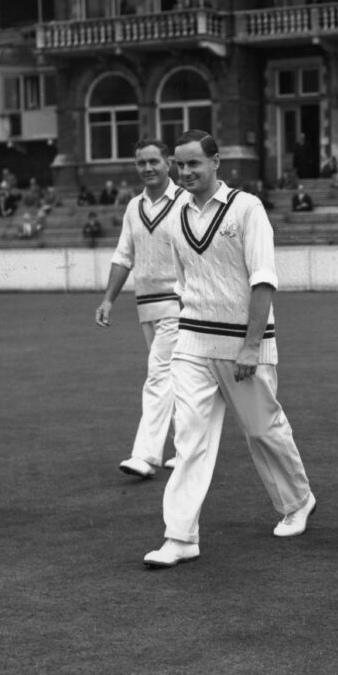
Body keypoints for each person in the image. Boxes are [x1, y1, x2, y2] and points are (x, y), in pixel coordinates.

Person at [142, 130, 316, 569]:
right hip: (193, 341)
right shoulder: (175, 213)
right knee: (189, 439)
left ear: (216, 161)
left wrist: (250, 345)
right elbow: (185, 280)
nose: (185, 173)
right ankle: (180, 536)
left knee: (262, 430)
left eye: (194, 164)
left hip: (244, 344)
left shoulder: (247, 208)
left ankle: (298, 501)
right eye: (180, 165)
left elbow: (263, 278)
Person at [94, 139, 184, 478]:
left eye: (153, 162)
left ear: (168, 163)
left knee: (159, 376)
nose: (147, 168)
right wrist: (108, 299)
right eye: (141, 163)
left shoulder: (185, 200)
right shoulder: (133, 206)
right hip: (146, 305)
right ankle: (188, 449)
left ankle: (145, 456)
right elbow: (123, 255)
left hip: (180, 304)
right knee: (177, 380)